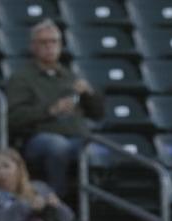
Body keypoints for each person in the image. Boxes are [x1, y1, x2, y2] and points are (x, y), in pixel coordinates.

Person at [6, 19, 104, 199]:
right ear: (33, 46)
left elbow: (98, 114)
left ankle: (98, 202)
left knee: (104, 147)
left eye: (54, 42)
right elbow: (14, 118)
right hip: (38, 139)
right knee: (57, 145)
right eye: (44, 42)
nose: (50, 47)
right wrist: (50, 110)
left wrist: (90, 94)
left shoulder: (70, 75)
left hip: (78, 137)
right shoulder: (22, 78)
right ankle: (58, 200)